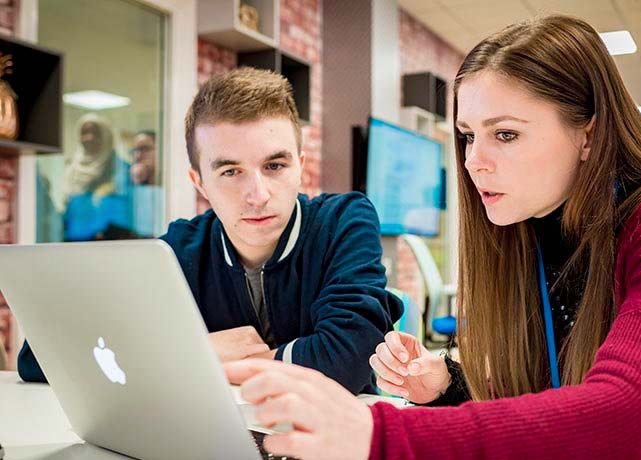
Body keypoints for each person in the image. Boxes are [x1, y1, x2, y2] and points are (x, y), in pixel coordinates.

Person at [222, 15, 641, 460]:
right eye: (467, 136)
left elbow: (626, 418)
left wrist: (376, 435)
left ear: (589, 133)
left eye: (505, 134)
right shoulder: (534, 230)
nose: (474, 162)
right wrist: (452, 385)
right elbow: (558, 396)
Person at [18, 68, 403, 395]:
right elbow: (38, 357)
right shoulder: (178, 251)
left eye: (274, 166)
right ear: (199, 182)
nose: (258, 195)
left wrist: (196, 363)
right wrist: (197, 351)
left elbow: (349, 359)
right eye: (230, 171)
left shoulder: (344, 222)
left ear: (300, 167)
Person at [62, 113, 135, 241]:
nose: (88, 138)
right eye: (84, 133)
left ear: (105, 136)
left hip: (110, 245)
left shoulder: (120, 169)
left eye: (95, 133)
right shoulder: (71, 170)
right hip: (73, 245)